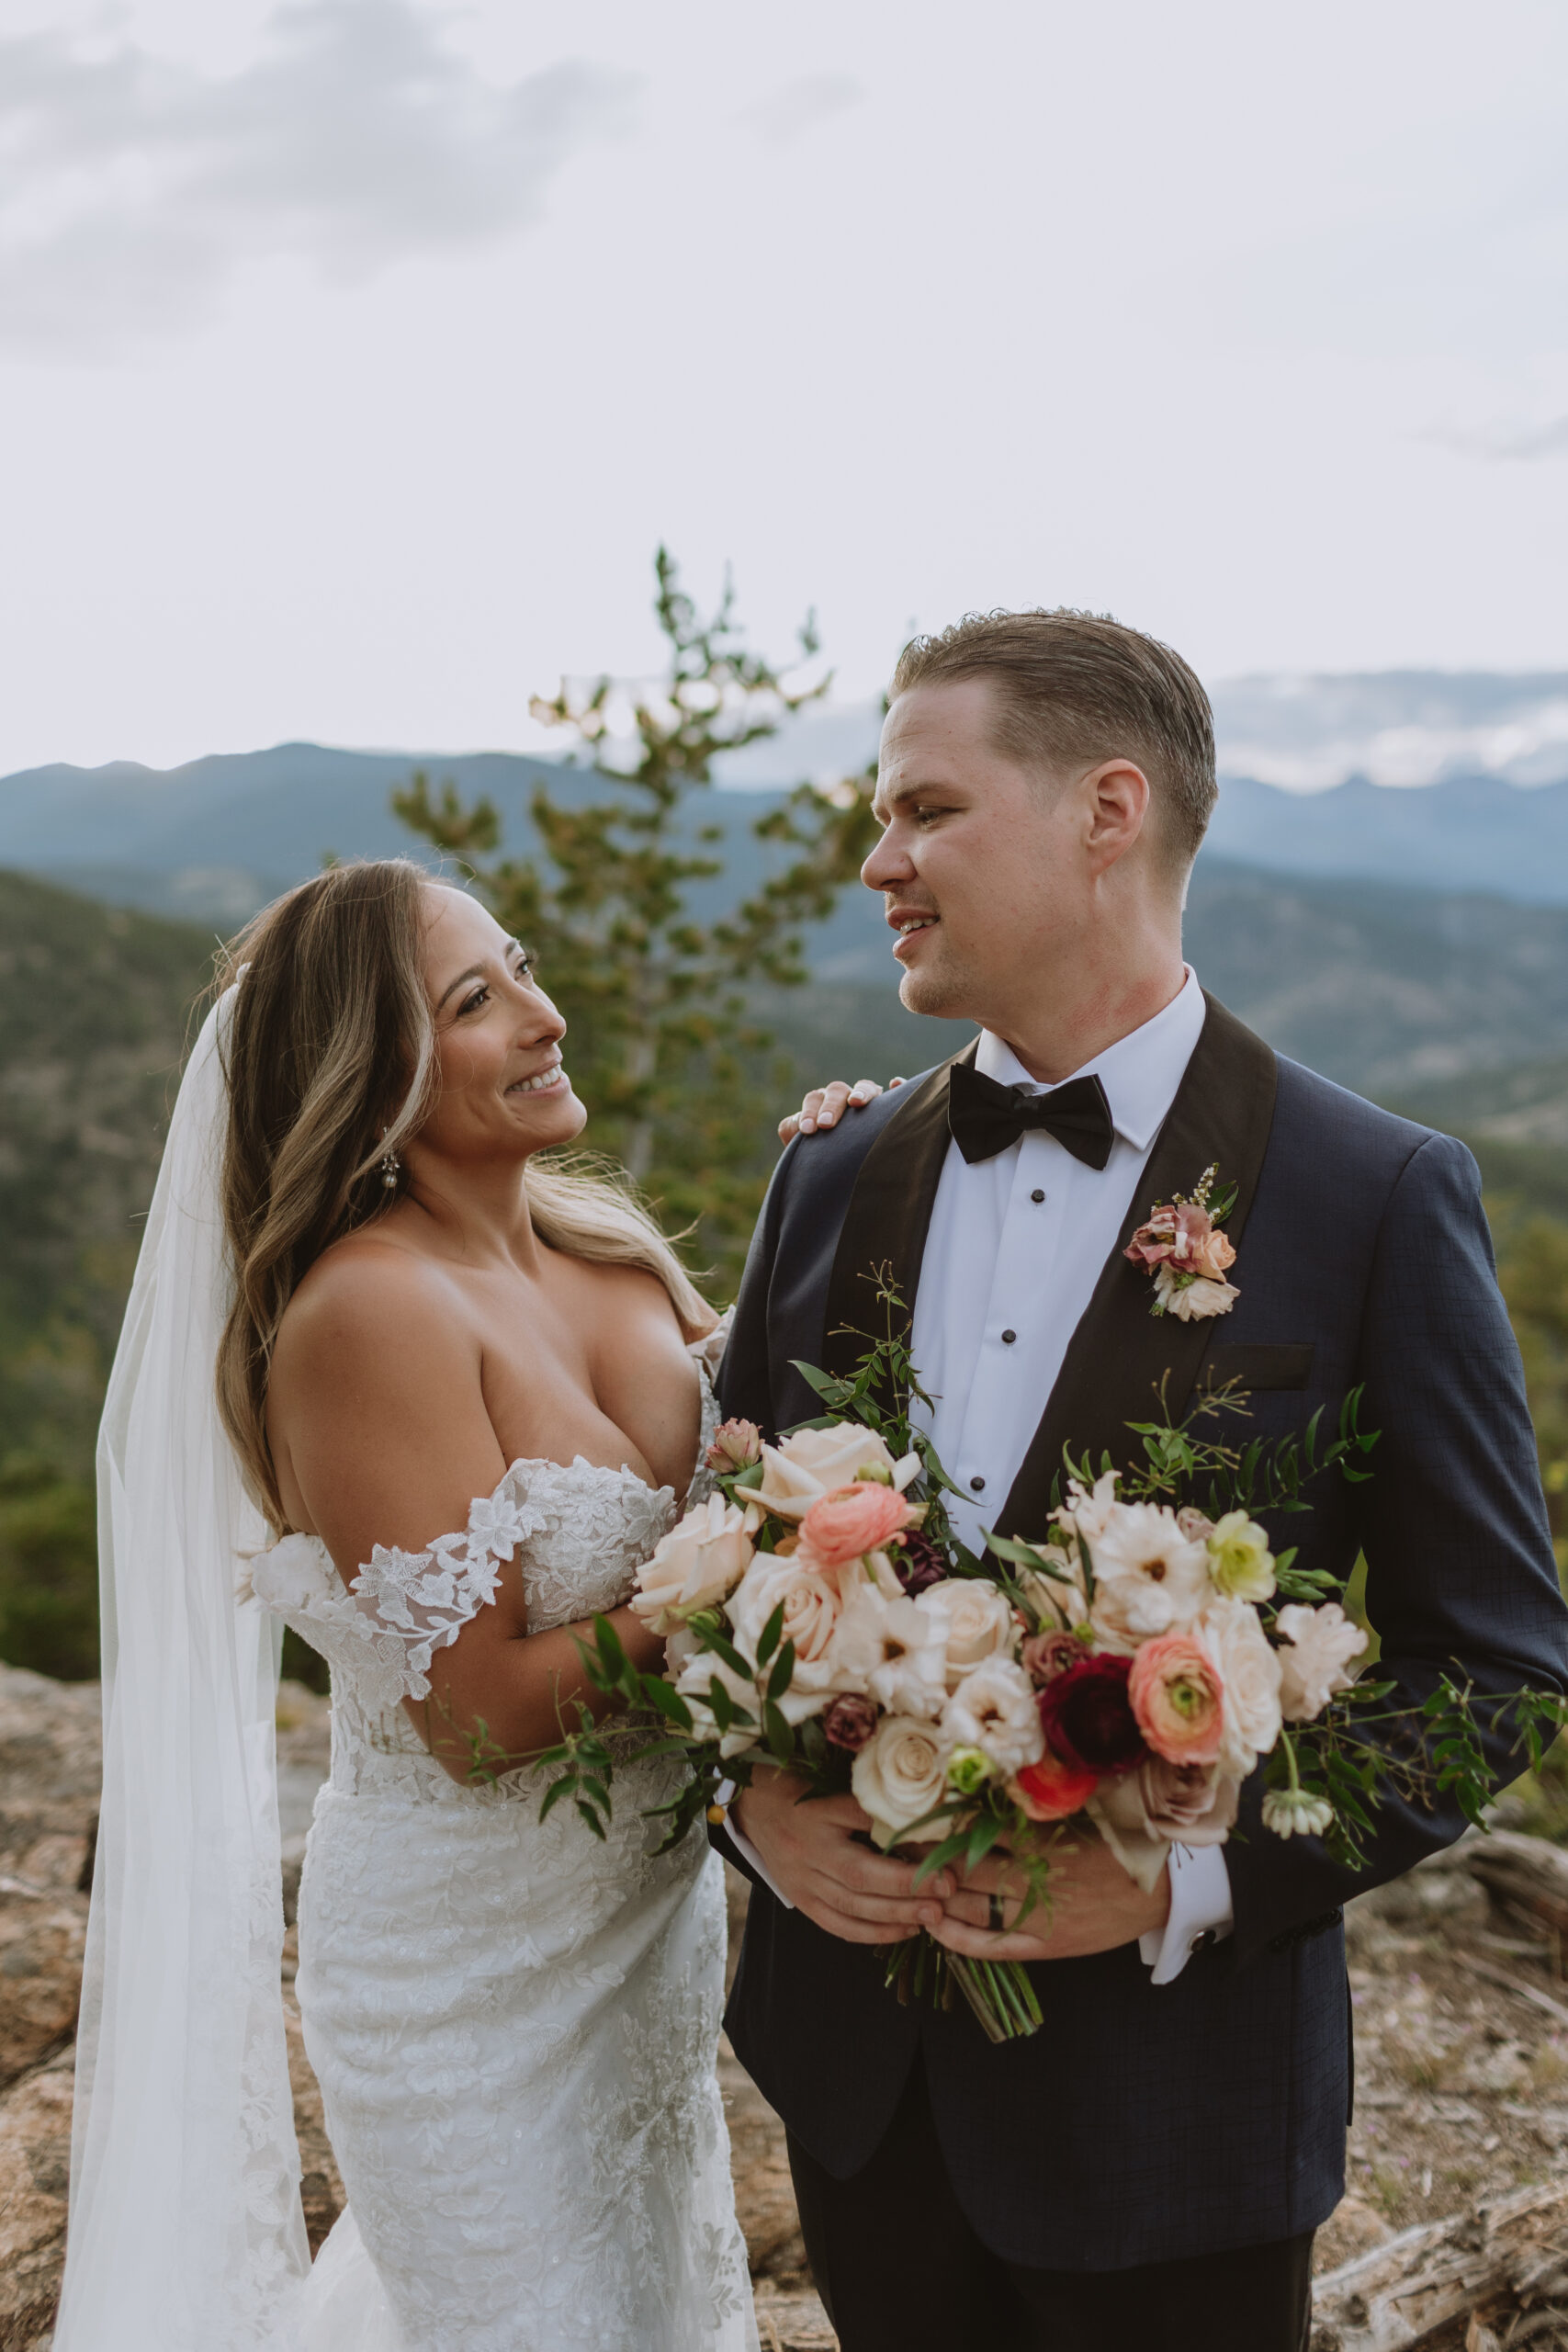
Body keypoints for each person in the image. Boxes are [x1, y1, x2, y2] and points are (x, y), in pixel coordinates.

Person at [715, 609, 1568, 2352]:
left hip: (1173, 2123)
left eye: (925, 810)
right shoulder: (828, 1178)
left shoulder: (1375, 1195)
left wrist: (1186, 1880)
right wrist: (761, 1817)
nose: (879, 860)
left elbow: (1493, 1668)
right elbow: (708, 1558)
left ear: (1108, 812)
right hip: (858, 2089)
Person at [57, 859, 758, 2352]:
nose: (542, 1014)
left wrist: (853, 1180)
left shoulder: (600, 1246)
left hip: (641, 1929)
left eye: (519, 964)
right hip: (470, 1975)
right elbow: (484, 1719)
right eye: (475, 1000)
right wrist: (753, 1559)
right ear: (369, 1079)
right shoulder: (370, 1314)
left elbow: (779, 1433)